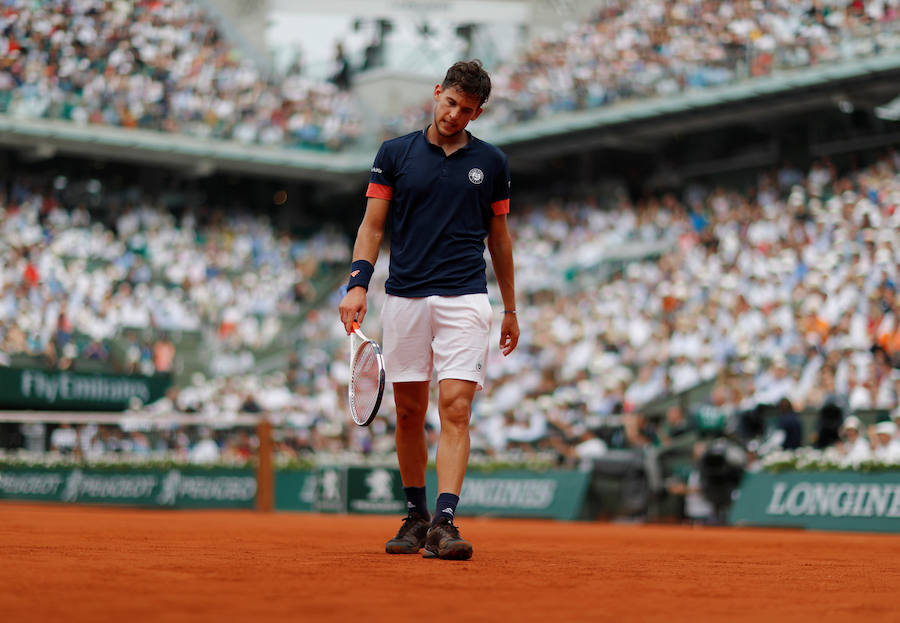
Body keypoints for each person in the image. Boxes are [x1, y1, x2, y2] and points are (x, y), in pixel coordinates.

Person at [338, 60, 519, 561]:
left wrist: (510, 307)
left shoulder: (493, 163)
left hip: (465, 297)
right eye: (450, 103)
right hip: (404, 297)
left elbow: (500, 242)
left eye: (467, 110)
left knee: (456, 409)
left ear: (478, 111)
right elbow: (372, 227)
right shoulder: (394, 154)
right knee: (410, 413)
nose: (455, 115)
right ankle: (415, 516)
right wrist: (358, 285)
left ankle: (444, 521)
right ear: (437, 92)